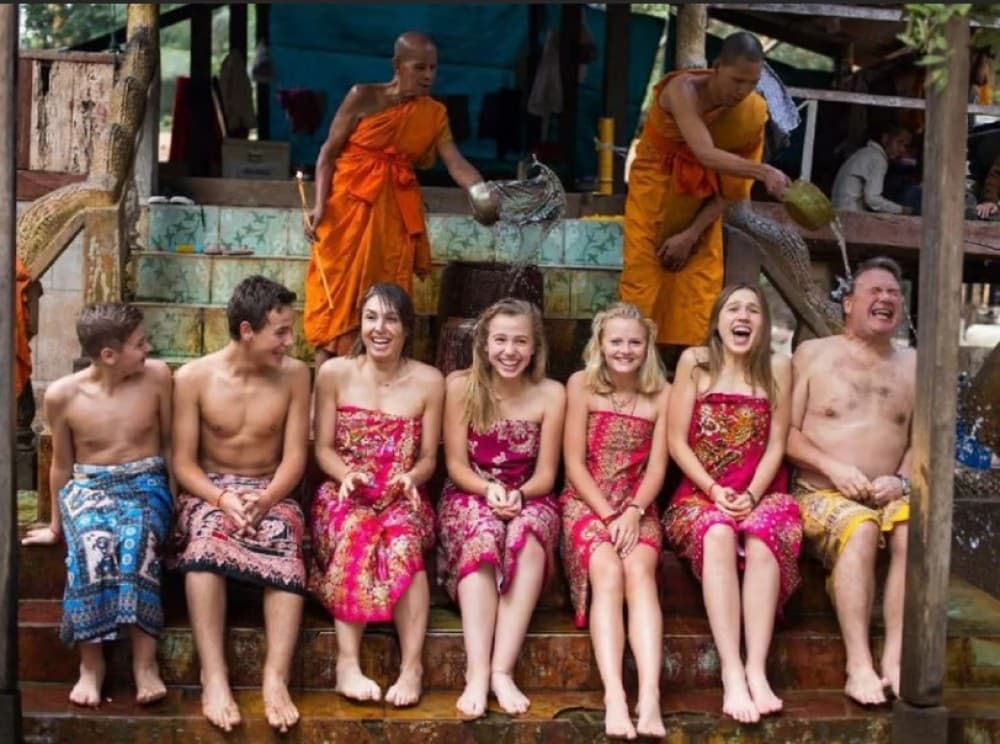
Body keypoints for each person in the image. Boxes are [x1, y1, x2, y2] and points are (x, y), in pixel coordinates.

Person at [303, 30, 498, 366]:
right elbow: (327, 154)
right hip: (347, 209)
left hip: (393, 215)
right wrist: (319, 205)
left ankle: (382, 390)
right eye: (419, 67)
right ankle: (325, 391)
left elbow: (455, 162)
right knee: (335, 299)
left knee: (387, 298)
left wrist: (480, 190)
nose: (428, 76)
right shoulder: (362, 96)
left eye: (433, 68)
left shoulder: (434, 114)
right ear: (397, 65)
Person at [169, 275, 310, 733]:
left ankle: (276, 678)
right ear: (248, 331)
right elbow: (183, 463)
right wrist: (221, 497)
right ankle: (214, 676)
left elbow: (295, 458)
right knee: (205, 545)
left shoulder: (296, 376)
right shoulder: (192, 378)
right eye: (281, 333)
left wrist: (267, 499)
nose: (289, 342)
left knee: (285, 539)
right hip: (210, 491)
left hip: (272, 491)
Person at [662, 284, 801, 724]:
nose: (743, 316)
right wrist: (713, 489)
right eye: (734, 309)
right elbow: (675, 440)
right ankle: (732, 671)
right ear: (718, 320)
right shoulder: (695, 363)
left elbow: (778, 442)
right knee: (718, 531)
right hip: (699, 495)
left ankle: (757, 669)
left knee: (763, 535)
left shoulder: (778, 367)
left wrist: (753, 495)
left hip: (764, 491)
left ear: (762, 324)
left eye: (753, 310)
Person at [22, 303, 173, 708]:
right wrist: (56, 525)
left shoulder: (157, 378)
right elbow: (61, 465)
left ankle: (145, 663)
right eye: (140, 344)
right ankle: (92, 665)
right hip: (90, 486)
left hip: (146, 482)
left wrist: (179, 507)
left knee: (137, 539)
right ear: (109, 355)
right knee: (90, 543)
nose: (148, 349)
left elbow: (172, 446)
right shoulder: (63, 395)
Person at [786, 256, 914, 705]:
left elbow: (925, 443)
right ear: (848, 303)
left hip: (889, 493)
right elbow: (784, 432)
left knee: (912, 530)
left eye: (893, 293)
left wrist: (902, 480)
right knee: (859, 528)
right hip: (820, 491)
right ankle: (858, 665)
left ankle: (896, 657)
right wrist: (834, 468)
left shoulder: (916, 365)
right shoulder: (814, 354)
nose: (885, 299)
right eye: (874, 291)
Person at [309, 282, 444, 707]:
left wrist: (412, 478)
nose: (379, 328)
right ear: (360, 324)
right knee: (357, 530)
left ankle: (412, 667)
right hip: (345, 493)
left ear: (407, 328)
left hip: (402, 495)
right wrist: (346, 475)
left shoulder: (430, 381)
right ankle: (347, 664)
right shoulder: (333, 374)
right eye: (371, 318)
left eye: (390, 319)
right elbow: (322, 448)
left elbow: (428, 459)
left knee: (404, 543)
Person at [619, 31, 789, 353]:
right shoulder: (681, 89)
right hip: (656, 198)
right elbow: (705, 153)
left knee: (698, 297)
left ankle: (686, 376)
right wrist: (764, 171)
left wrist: (691, 233)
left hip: (702, 211)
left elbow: (733, 188)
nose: (742, 91)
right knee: (641, 288)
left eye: (751, 84)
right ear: (716, 66)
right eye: (736, 80)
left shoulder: (752, 113)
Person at [437, 298, 566, 718]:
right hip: (471, 492)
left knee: (527, 534)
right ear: (485, 345)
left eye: (520, 342)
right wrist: (488, 489)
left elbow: (548, 473)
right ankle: (476, 672)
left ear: (534, 348)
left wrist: (521, 495)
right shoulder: (460, 387)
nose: (510, 351)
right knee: (483, 534)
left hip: (531, 493)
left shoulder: (551, 394)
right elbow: (456, 465)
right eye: (501, 341)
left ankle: (501, 669)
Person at [559, 303, 671, 740]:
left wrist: (634, 512)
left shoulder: (663, 393)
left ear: (647, 347)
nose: (625, 349)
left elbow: (657, 470)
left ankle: (650, 695)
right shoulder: (581, 386)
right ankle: (615, 697)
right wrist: (607, 513)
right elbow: (573, 462)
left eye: (634, 342)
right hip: (587, 501)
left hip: (637, 504)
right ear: (600, 345)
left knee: (639, 569)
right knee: (607, 568)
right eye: (616, 341)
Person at [831, 124, 912, 214]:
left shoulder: (865, 152)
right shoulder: (878, 159)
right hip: (849, 213)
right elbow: (872, 199)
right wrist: (901, 209)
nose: (902, 149)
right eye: (899, 142)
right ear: (885, 139)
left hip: (839, 210)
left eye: (905, 146)